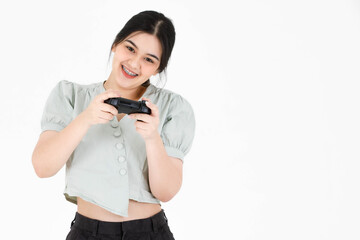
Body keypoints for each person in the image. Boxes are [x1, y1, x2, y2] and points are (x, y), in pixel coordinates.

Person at [32, 10, 195, 240]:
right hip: (86, 233)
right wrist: (86, 118)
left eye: (149, 59)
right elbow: (42, 167)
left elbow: (166, 191)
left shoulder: (173, 107)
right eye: (130, 48)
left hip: (150, 233)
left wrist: (152, 138)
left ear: (158, 69)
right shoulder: (70, 96)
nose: (134, 63)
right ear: (115, 44)